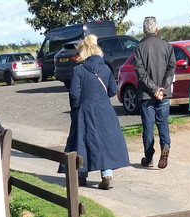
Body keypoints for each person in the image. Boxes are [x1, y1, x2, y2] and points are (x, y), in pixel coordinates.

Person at [62, 35, 129, 189]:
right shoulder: (106, 68)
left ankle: (81, 175)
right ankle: (107, 174)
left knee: (83, 141)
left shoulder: (79, 70)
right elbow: (113, 89)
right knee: (105, 141)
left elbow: (74, 94)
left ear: (82, 52)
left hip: (85, 109)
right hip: (105, 109)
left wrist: (76, 108)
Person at [132, 16, 176, 169]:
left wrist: (153, 88)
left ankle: (149, 156)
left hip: (146, 94)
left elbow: (140, 72)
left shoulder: (139, 48)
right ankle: (165, 146)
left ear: (144, 31)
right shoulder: (167, 46)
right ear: (157, 29)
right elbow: (171, 68)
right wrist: (162, 88)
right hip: (163, 93)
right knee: (163, 123)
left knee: (148, 127)